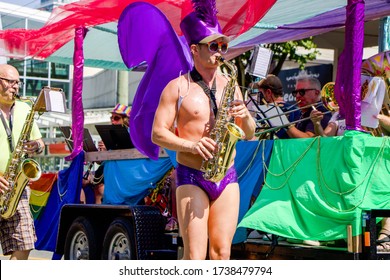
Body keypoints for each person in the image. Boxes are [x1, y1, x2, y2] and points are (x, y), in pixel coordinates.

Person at [151, 9, 255, 260]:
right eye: (213, 46)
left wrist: (246, 115)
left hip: (227, 175)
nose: (220, 51)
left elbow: (249, 134)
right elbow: (157, 133)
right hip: (192, 175)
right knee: (195, 256)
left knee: (221, 253)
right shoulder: (178, 87)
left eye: (223, 46)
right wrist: (192, 145)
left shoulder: (231, 85)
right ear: (195, 49)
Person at [0, 64, 45, 259]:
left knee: (24, 244)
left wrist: (37, 145)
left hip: (16, 186)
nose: (15, 87)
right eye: (10, 81)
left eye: (18, 82)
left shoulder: (26, 108)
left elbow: (41, 142)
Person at [87, 103, 131, 204]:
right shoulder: (108, 132)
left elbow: (126, 154)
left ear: (125, 120)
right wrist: (100, 152)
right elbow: (100, 161)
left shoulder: (130, 134)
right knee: (93, 187)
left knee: (100, 189)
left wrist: (108, 148)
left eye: (116, 118)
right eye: (112, 117)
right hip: (107, 169)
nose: (112, 120)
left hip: (120, 171)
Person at [250, 74, 300, 139]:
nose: (258, 96)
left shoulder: (267, 111)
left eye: (260, 93)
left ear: (268, 92)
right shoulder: (295, 110)